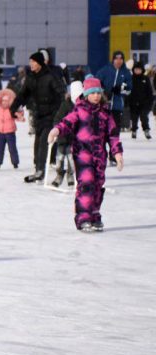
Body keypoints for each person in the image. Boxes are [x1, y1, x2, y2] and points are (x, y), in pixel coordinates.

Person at [49, 77, 123, 232]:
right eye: (92, 93)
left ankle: (95, 214)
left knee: (97, 185)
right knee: (86, 184)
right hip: (82, 154)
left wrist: (117, 153)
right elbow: (67, 123)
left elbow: (113, 135)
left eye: (98, 92)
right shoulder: (79, 110)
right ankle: (83, 217)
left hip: (100, 156)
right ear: (86, 94)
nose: (96, 96)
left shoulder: (106, 113)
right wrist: (56, 130)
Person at [9, 51, 65, 182]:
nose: (31, 64)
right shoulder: (31, 77)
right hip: (38, 114)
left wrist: (61, 112)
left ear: (40, 63)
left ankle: (40, 170)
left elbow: (61, 93)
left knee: (44, 142)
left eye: (33, 62)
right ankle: (38, 168)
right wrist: (13, 108)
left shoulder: (50, 76)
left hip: (51, 114)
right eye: (30, 62)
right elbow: (23, 95)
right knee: (37, 142)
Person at [96, 51, 131, 166]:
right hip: (103, 106)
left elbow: (129, 89)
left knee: (114, 131)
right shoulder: (105, 70)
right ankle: (100, 154)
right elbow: (95, 84)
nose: (119, 61)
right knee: (101, 131)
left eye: (121, 58)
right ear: (113, 59)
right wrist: (104, 92)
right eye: (116, 58)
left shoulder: (125, 73)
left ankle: (113, 155)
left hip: (116, 106)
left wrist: (120, 90)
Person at [49, 81, 83, 188]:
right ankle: (59, 175)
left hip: (74, 140)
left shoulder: (83, 106)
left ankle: (70, 175)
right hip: (63, 137)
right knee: (59, 159)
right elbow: (58, 118)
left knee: (72, 159)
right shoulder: (65, 104)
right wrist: (56, 129)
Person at [0, 88, 20, 169]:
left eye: (6, 101)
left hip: (10, 132)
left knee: (12, 148)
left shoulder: (11, 109)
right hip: (0, 132)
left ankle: (15, 162)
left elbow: (17, 117)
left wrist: (20, 116)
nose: (4, 103)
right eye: (3, 101)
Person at [129, 61, 153, 140]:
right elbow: (128, 90)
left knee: (144, 116)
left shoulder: (145, 79)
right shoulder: (131, 78)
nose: (137, 71)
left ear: (142, 70)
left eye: (139, 69)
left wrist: (150, 101)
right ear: (133, 70)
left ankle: (146, 130)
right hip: (133, 103)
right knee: (134, 118)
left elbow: (149, 91)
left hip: (144, 103)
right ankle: (134, 130)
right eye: (136, 69)